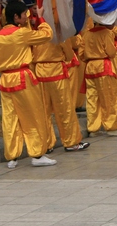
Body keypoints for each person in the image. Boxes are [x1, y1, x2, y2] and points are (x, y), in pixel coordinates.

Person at [0, 1, 57, 168]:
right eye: (23, 15)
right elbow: (47, 35)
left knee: (9, 118)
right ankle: (37, 153)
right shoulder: (22, 33)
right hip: (22, 77)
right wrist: (41, 18)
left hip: (6, 79)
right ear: (16, 16)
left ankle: (12, 156)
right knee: (33, 115)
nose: (25, 18)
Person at [32, 23, 89, 153]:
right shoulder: (59, 34)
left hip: (39, 72)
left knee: (43, 109)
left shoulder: (35, 33)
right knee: (64, 108)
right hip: (56, 71)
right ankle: (71, 141)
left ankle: (45, 144)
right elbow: (69, 54)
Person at [83, 19, 117, 137]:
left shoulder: (87, 33)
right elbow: (111, 52)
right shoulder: (107, 33)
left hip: (90, 67)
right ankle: (112, 126)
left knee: (92, 99)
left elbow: (81, 53)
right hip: (103, 66)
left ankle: (93, 127)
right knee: (110, 97)